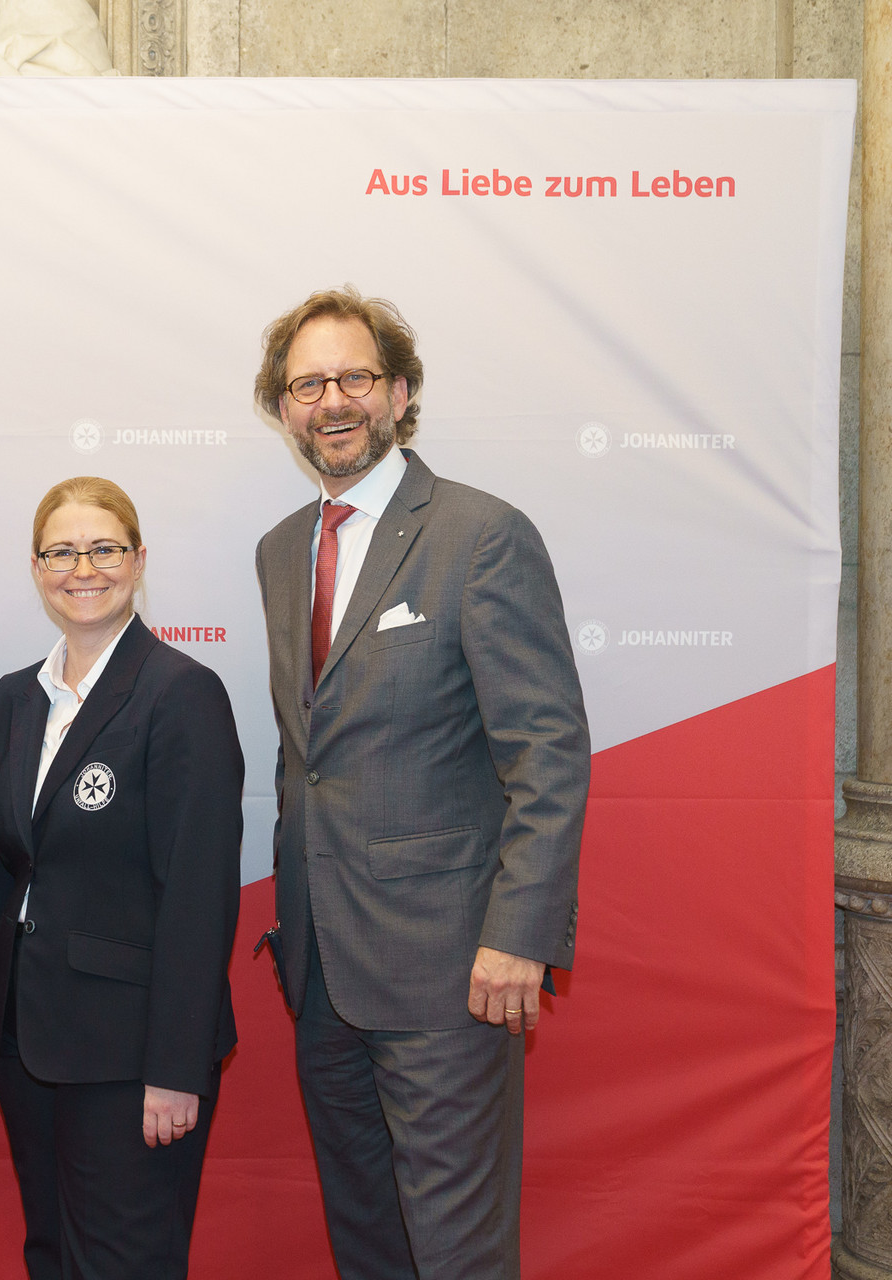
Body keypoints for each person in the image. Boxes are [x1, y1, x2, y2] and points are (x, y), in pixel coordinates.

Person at [252, 285, 589, 1279]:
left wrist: (518, 935)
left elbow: (547, 751)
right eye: (307, 384)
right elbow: (308, 755)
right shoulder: (281, 551)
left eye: (354, 376)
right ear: (283, 410)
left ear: (399, 393)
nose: (332, 400)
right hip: (322, 968)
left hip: (451, 972)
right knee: (367, 1242)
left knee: (456, 1252)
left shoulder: (481, 534)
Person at [0, 476, 244, 1279]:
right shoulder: (16, 698)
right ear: (37, 568)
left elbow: (199, 896)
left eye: (105, 548)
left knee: (123, 1263)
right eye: (62, 552)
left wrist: (176, 1068)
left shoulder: (182, 693)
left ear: (139, 560)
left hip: (131, 1053)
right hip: (25, 1041)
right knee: (50, 1255)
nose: (84, 569)